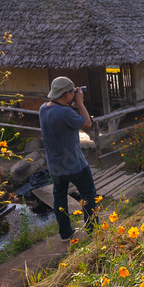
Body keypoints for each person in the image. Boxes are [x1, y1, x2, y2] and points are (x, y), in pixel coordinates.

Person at [39, 77, 97, 241]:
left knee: (59, 197)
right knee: (88, 195)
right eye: (73, 91)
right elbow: (87, 123)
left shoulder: (43, 108)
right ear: (66, 95)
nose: (76, 93)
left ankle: (65, 233)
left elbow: (61, 114)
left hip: (55, 166)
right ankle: (93, 231)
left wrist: (72, 103)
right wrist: (81, 103)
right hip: (76, 165)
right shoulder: (65, 112)